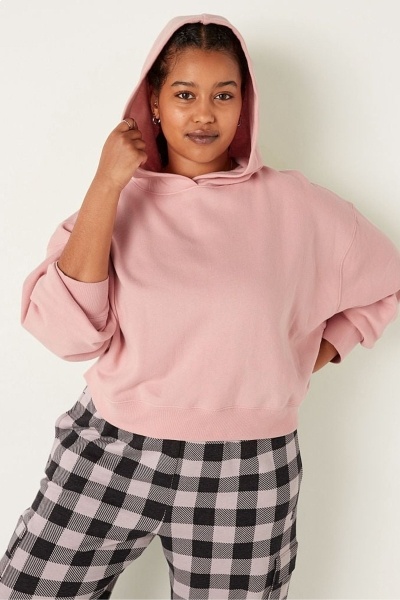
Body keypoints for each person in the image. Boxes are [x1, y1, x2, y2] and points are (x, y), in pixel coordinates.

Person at [1, 13, 399, 600]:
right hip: (115, 447)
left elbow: (386, 281)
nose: (205, 114)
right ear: (155, 104)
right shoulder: (117, 203)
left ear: (245, 105)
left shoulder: (298, 206)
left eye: (223, 95)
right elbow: (69, 335)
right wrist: (106, 183)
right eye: (185, 94)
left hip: (248, 468)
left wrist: (306, 356)